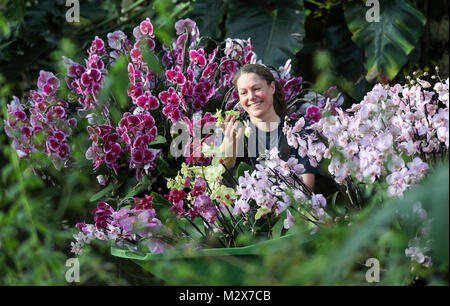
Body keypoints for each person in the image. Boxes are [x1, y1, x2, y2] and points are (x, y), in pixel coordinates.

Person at [220, 64, 319, 191]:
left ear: (272, 87)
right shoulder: (234, 131)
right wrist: (229, 142)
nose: (251, 97)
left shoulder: (299, 129)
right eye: (244, 92)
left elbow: (306, 188)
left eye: (256, 89)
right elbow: (221, 171)